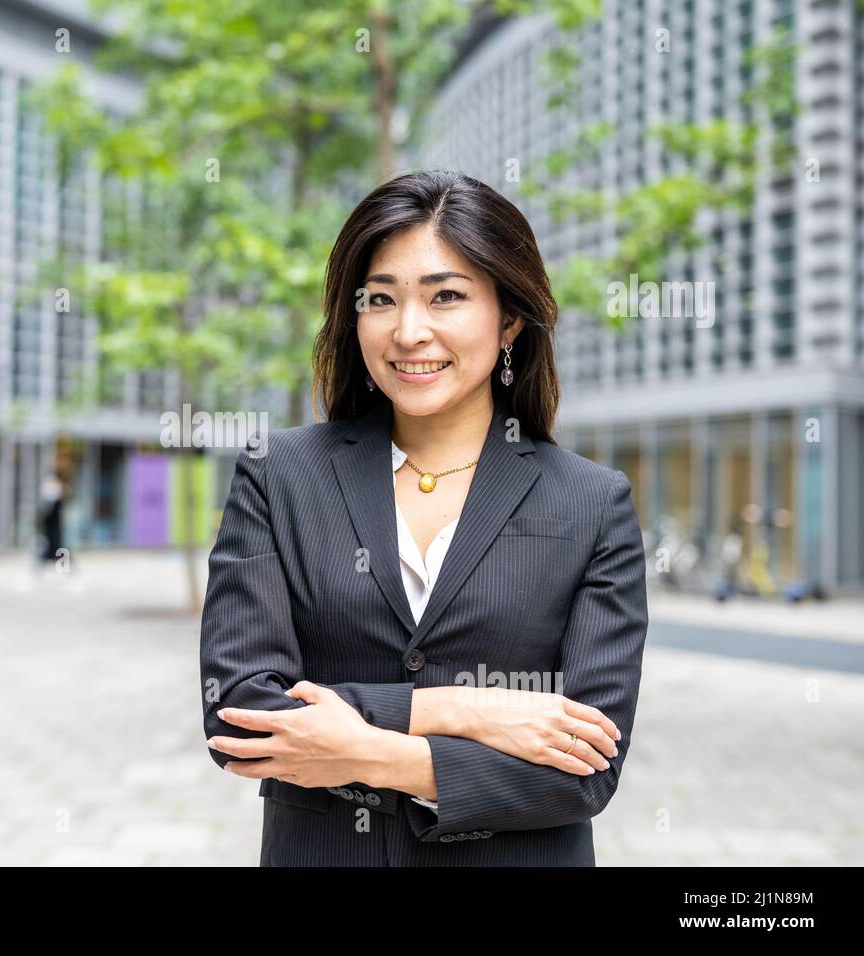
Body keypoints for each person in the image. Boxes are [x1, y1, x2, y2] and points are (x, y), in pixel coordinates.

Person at [199, 170, 649, 866]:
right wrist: (462, 710)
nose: (410, 331)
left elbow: (586, 768)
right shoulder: (280, 474)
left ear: (509, 320)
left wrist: (371, 750)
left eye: (446, 296)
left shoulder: (591, 503)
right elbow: (241, 716)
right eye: (381, 299)